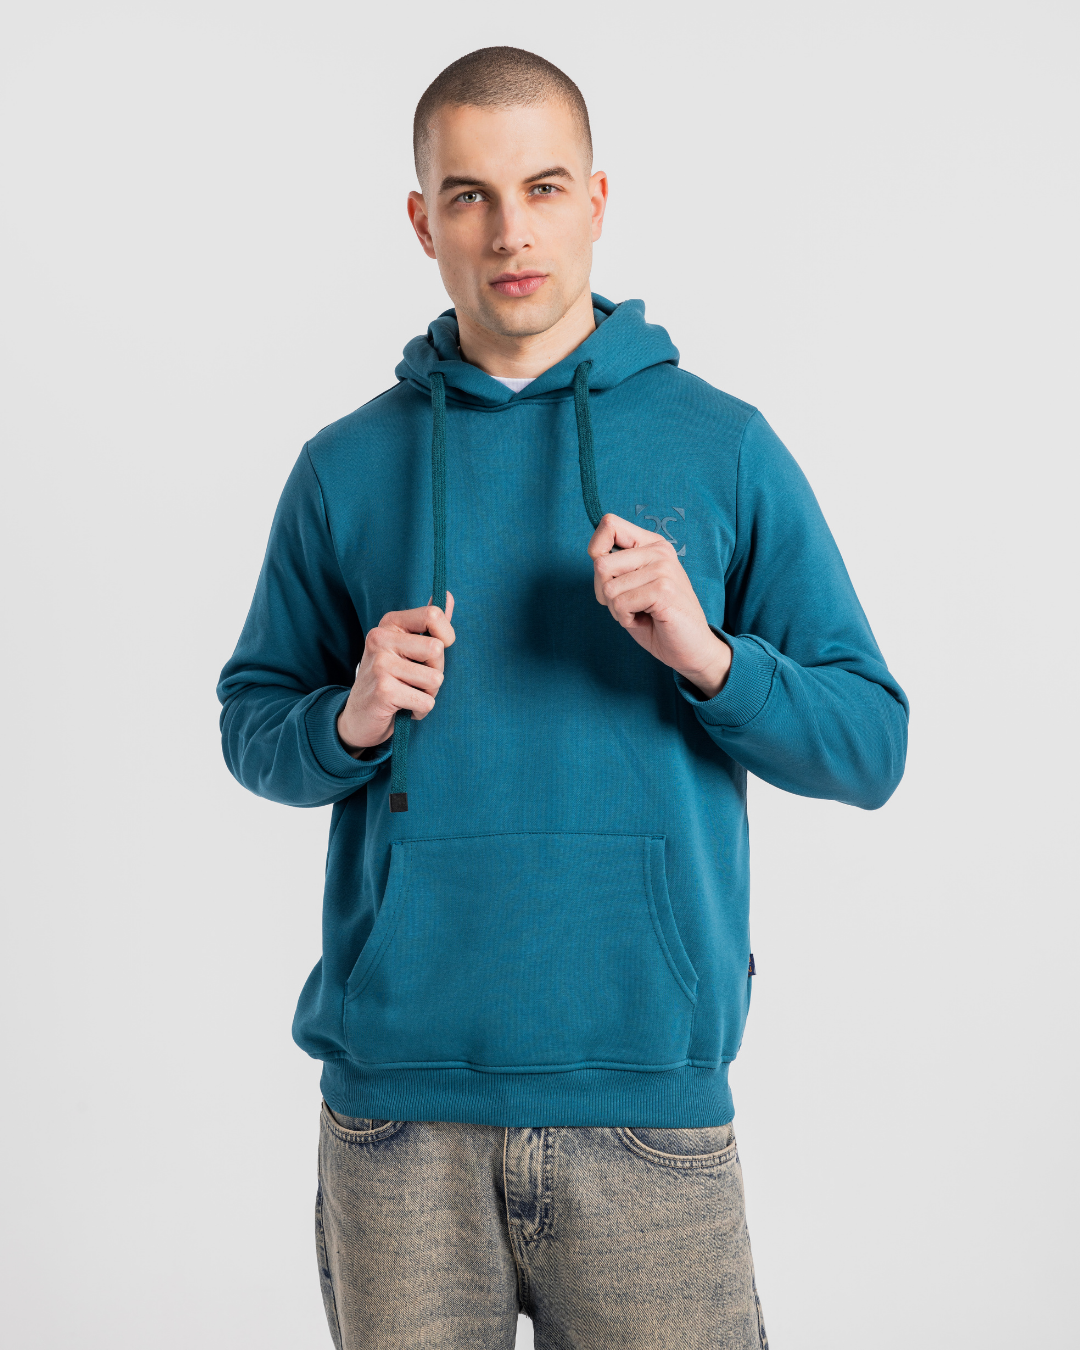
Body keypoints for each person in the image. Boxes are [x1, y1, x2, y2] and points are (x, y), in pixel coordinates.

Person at [217, 45, 908, 1350]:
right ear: (421, 220)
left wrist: (709, 657)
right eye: (468, 196)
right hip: (399, 1116)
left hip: (649, 1107)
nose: (509, 231)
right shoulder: (344, 465)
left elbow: (869, 740)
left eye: (541, 188)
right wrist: (347, 719)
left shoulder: (724, 444)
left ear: (596, 200)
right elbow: (254, 722)